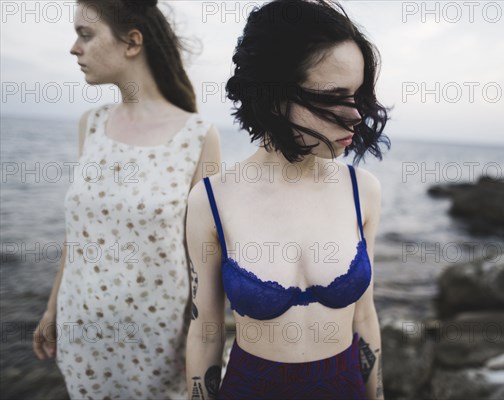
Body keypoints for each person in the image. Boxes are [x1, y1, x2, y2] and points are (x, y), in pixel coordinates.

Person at [185, 1, 389, 399]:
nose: (356, 115)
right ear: (273, 93)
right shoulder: (212, 198)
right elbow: (205, 331)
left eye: (358, 95)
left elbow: (364, 317)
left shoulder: (362, 191)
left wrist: (377, 395)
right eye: (334, 96)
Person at [32, 0, 221, 398]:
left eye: (85, 34)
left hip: (157, 345)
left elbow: (206, 257)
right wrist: (52, 309)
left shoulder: (198, 135)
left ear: (132, 42)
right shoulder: (93, 124)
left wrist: (203, 348)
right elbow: (78, 234)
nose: (74, 48)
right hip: (81, 334)